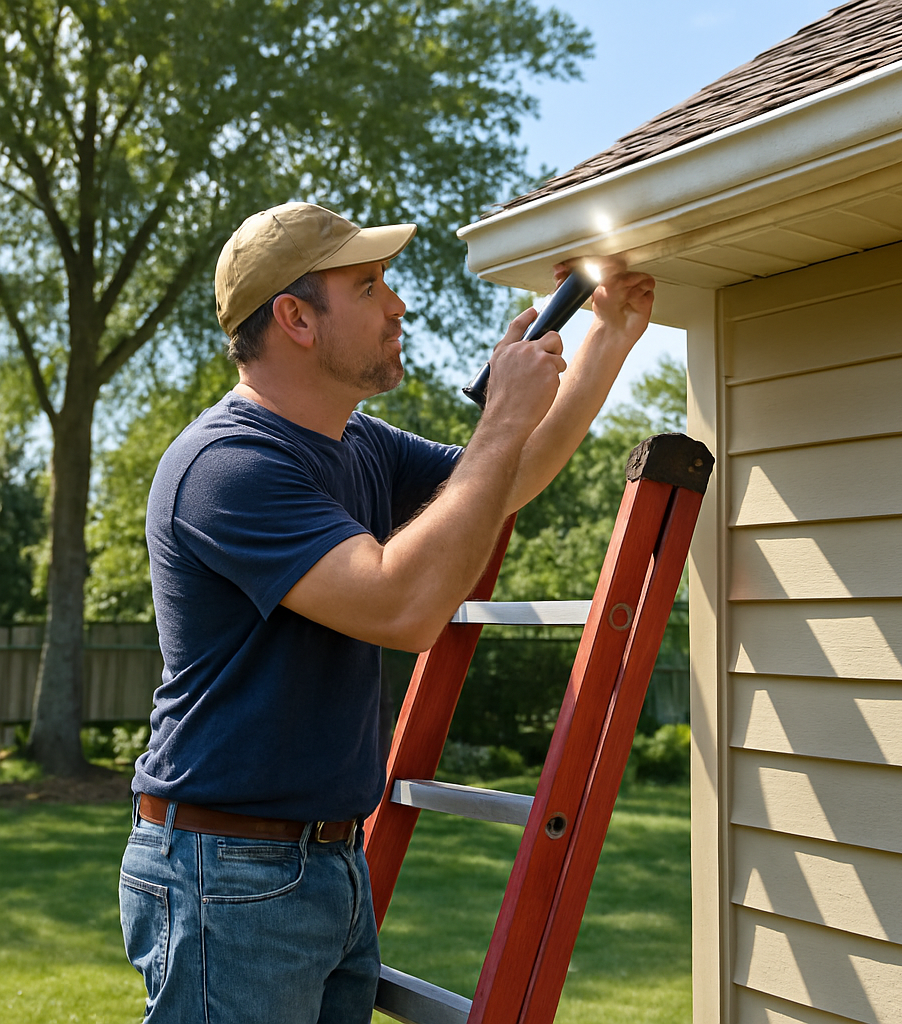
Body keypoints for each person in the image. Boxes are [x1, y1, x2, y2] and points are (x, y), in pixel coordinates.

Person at [119, 201, 655, 1024]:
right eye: (369, 287)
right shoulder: (226, 467)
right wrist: (503, 414)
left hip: (328, 860)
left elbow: (500, 480)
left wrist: (607, 340)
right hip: (226, 873)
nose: (398, 304)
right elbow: (403, 608)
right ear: (296, 317)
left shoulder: (359, 443)